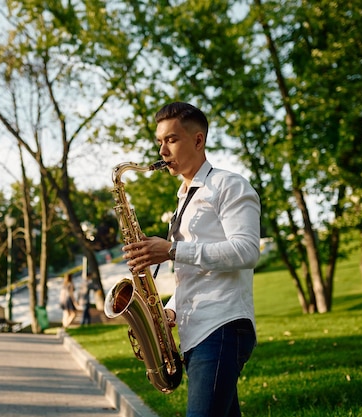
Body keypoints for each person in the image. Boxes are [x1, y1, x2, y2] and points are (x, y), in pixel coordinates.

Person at [122, 102, 261, 417]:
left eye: (171, 139)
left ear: (198, 141)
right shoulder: (185, 196)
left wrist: (170, 250)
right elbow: (193, 272)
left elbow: (247, 251)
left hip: (221, 325)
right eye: (160, 141)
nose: (162, 150)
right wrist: (168, 310)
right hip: (196, 329)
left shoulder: (229, 185)